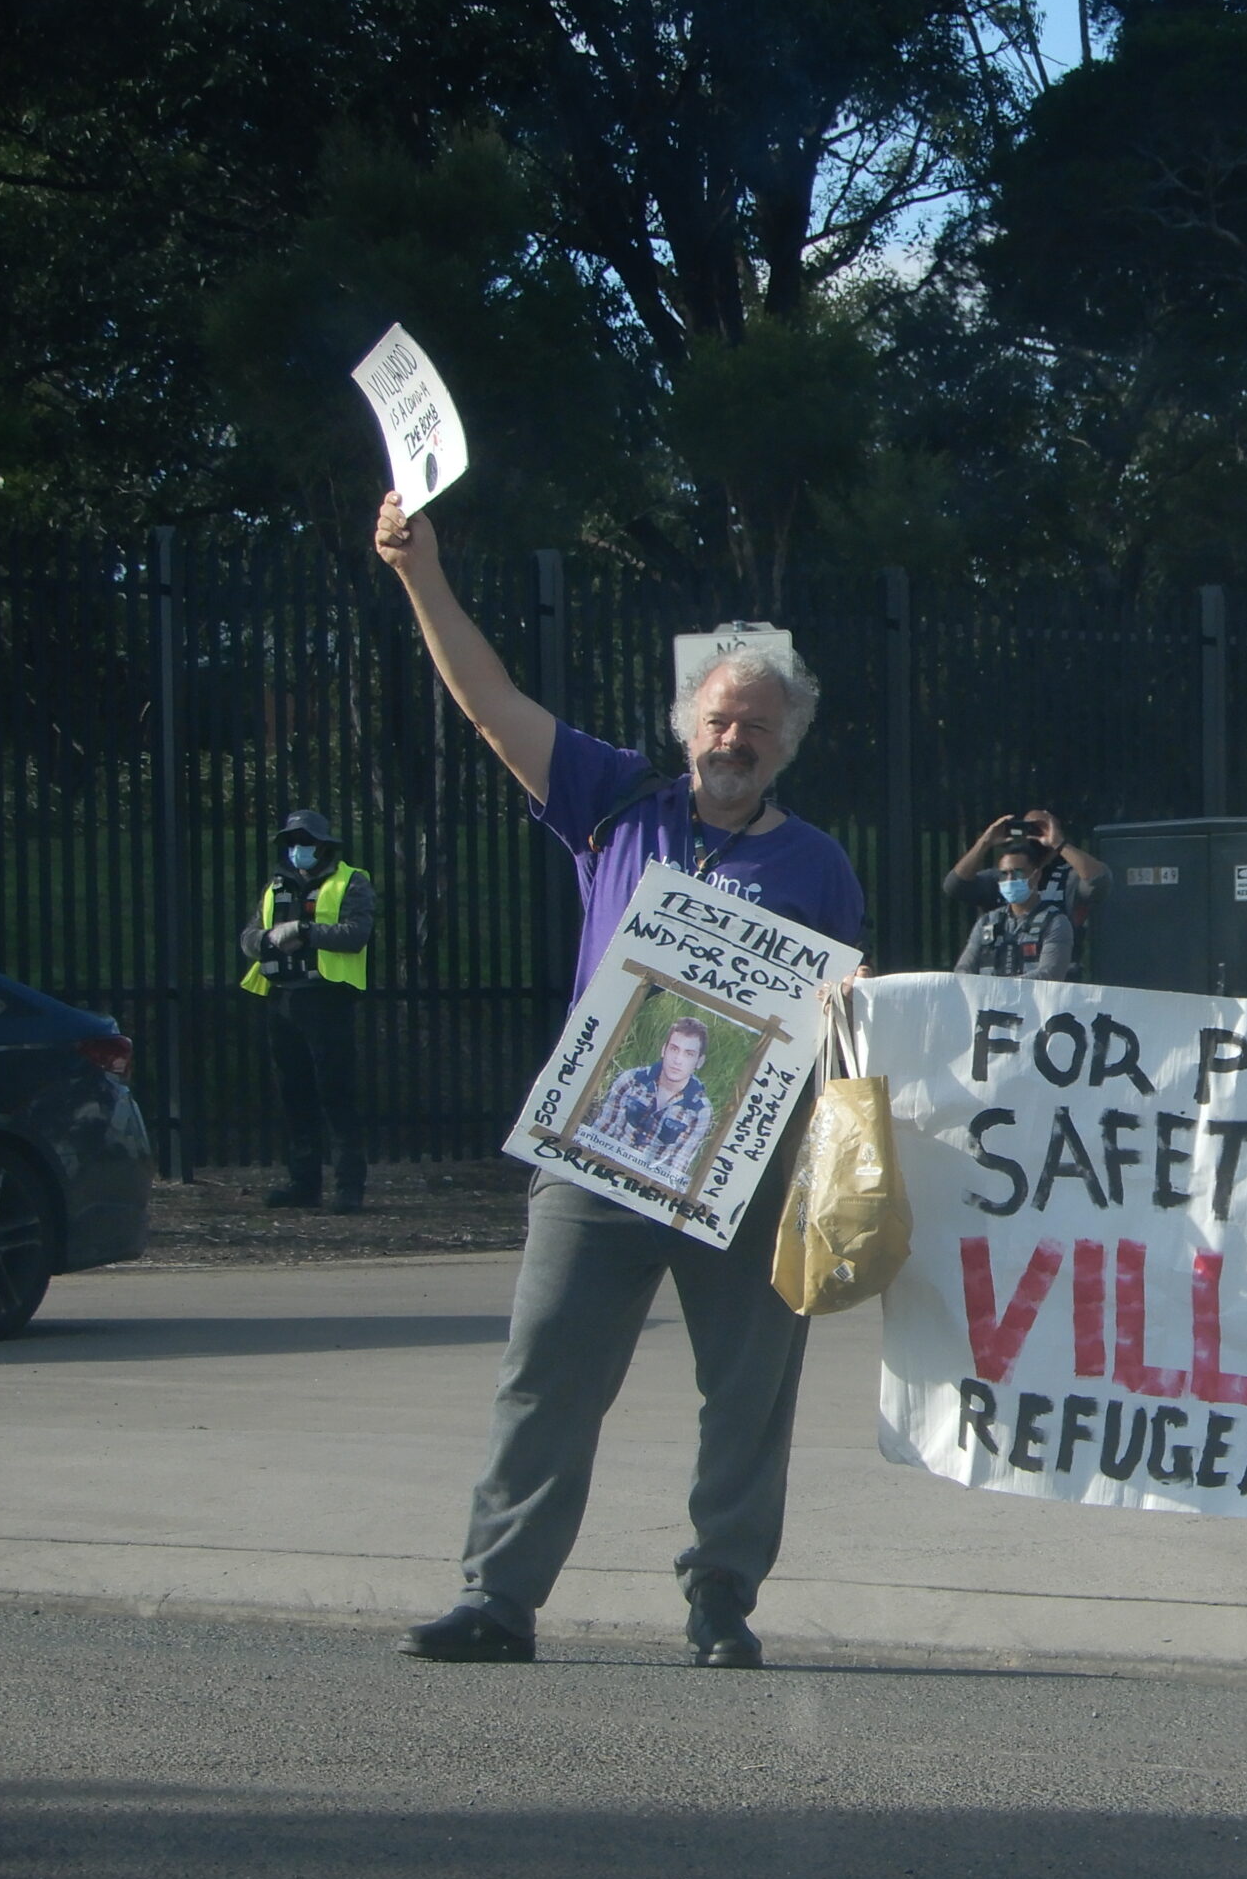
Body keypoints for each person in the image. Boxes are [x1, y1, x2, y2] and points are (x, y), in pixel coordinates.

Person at [372, 491, 865, 1672]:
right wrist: (418, 574)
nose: (733, 739)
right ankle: (497, 1600)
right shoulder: (614, 804)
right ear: (687, 724)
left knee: (747, 1397)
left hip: (748, 1169)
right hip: (598, 1148)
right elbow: (490, 706)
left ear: (787, 741)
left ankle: (722, 1604)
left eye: (756, 725)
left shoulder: (818, 866)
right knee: (545, 1371)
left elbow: (845, 1020)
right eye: (718, 717)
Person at [238, 810, 376, 1212]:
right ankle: (304, 1183)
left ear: (323, 846)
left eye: (306, 841)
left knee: (336, 1094)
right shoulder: (276, 886)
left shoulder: (351, 881)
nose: (298, 848)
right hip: (282, 998)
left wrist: (302, 931)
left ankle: (349, 1187)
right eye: (292, 841)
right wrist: (266, 938)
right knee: (294, 1093)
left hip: (328, 999)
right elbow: (248, 938)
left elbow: (357, 934)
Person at [573, 1014, 716, 1192]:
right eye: (674, 1049)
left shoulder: (701, 1110)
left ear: (699, 1061)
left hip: (646, 1191)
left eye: (689, 1054)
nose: (678, 1060)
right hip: (599, 1173)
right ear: (664, 1050)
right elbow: (601, 1131)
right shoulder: (631, 1080)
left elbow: (677, 1167)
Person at [944, 809, 1108, 923]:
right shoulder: (1003, 877)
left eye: (1042, 829)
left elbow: (1099, 880)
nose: (1035, 836)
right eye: (1028, 828)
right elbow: (955, 886)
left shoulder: (1068, 878)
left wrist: (1058, 843)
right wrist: (985, 842)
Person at [955, 839, 1075, 980]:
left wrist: (1004, 987)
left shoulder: (1055, 921)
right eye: (1004, 874)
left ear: (1036, 876)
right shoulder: (987, 922)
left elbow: (1050, 973)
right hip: (986, 999)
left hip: (1032, 1000)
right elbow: (963, 969)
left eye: (1018, 873)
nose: (1010, 879)